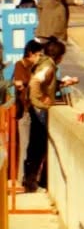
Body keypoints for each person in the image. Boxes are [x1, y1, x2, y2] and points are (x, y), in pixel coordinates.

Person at [23, 39, 77, 192]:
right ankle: (31, 183)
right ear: (59, 56)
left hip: (36, 109)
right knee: (38, 147)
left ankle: (32, 182)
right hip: (39, 110)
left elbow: (46, 83)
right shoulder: (48, 66)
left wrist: (62, 83)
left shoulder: (45, 64)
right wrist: (41, 100)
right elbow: (35, 83)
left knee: (36, 147)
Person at [12, 39, 44, 186]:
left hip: (34, 111)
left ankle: (31, 179)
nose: (39, 58)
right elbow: (21, 84)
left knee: (34, 149)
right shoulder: (20, 65)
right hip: (25, 112)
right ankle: (22, 180)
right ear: (30, 54)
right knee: (25, 147)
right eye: (37, 55)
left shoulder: (35, 67)